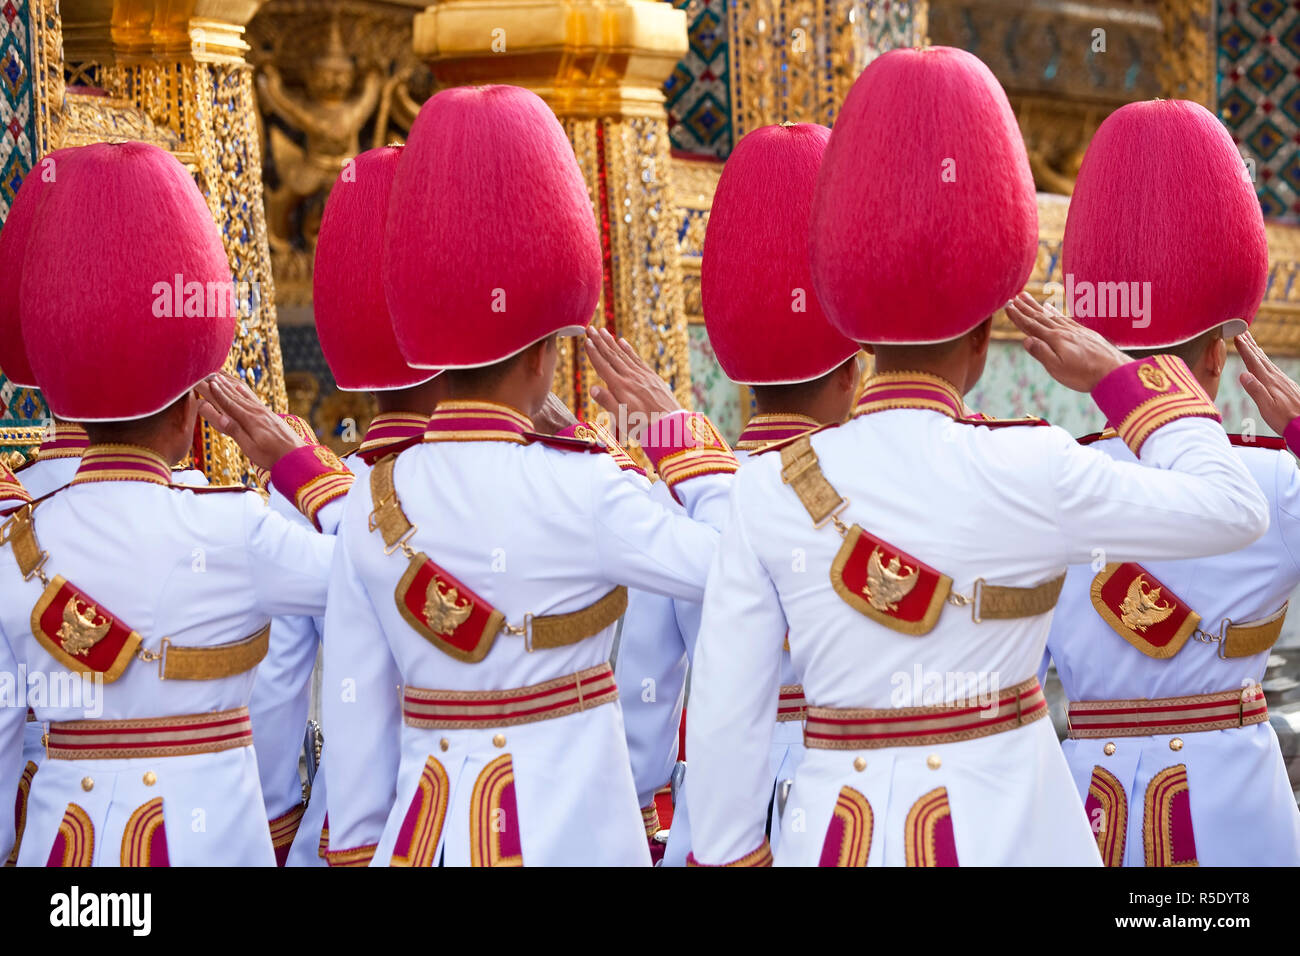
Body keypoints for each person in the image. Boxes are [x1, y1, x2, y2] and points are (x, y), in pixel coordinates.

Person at [682, 46, 1270, 867]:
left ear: (853, 335)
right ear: (987, 335)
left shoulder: (774, 486)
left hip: (832, 835)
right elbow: (1232, 508)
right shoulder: (1032, 464)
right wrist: (1128, 386)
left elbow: (722, 724)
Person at [319, 84, 737, 866]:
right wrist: (678, 438)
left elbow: (354, 725)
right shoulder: (585, 487)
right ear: (549, 352)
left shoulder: (372, 500)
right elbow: (740, 561)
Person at [0, 141, 351, 865]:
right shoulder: (236, 529)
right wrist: (297, 468)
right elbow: (391, 567)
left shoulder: (16, 546)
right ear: (195, 403)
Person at [1042, 98, 1300, 865]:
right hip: (1239, 812)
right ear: (1220, 357)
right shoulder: (1275, 481)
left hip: (1086, 810)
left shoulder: (1044, 475)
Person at [604, 122, 862, 865]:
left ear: (741, 384)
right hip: (862, 800)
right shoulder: (881, 485)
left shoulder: (677, 497)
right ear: (852, 370)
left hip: (715, 817)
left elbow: (644, 701)